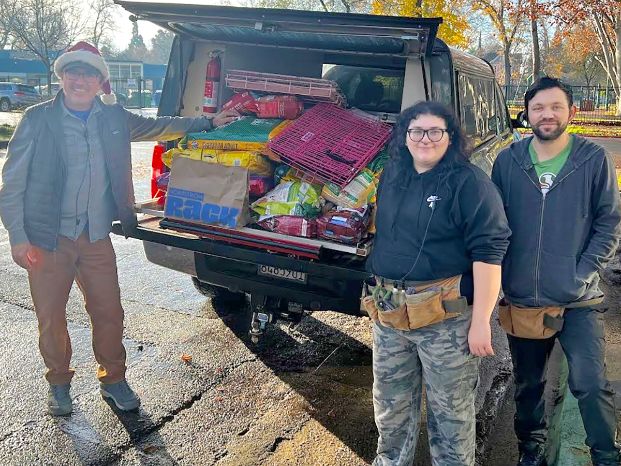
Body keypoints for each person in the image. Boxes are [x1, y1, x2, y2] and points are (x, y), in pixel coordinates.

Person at [0, 41, 238, 416]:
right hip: (48, 238)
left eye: (88, 73)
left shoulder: (113, 118)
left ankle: (113, 378)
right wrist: (18, 236)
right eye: (73, 72)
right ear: (62, 76)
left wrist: (207, 122)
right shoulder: (37, 119)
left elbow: (159, 126)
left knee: (109, 312)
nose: (80, 80)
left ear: (100, 81)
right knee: (51, 315)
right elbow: (12, 183)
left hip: (95, 237)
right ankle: (59, 382)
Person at [365, 101, 511, 466]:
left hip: (444, 319)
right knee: (389, 408)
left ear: (450, 137)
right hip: (389, 310)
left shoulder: (469, 183)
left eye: (435, 131)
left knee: (450, 415)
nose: (424, 139)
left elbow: (490, 254)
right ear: (404, 136)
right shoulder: (393, 176)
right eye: (416, 131)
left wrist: (481, 323)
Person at [491, 76, 621, 466]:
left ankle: (606, 456)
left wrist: (581, 273)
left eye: (555, 107)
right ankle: (530, 453)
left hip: (579, 299)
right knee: (529, 386)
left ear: (572, 112)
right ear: (527, 114)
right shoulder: (508, 162)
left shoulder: (593, 159)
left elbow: (609, 222)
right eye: (538, 108)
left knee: (590, 383)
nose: (546, 114)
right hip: (524, 300)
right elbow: (492, 227)